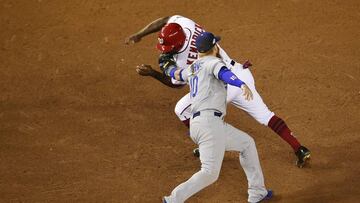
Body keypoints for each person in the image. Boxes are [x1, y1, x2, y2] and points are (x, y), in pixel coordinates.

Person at [125, 15, 310, 167]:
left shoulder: (184, 61)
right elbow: (165, 20)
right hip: (241, 76)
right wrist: (141, 34)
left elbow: (175, 83)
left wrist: (152, 73)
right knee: (266, 116)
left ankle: (209, 145)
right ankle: (300, 148)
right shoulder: (185, 24)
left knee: (182, 109)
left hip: (219, 89)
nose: (165, 51)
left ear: (177, 45)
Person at [162, 31, 272, 203]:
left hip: (201, 124)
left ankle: (257, 192)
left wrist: (166, 67)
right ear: (214, 47)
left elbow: (176, 73)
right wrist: (240, 83)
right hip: (209, 125)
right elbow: (224, 74)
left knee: (247, 144)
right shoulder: (213, 62)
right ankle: (173, 200)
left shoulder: (193, 67)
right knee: (210, 172)